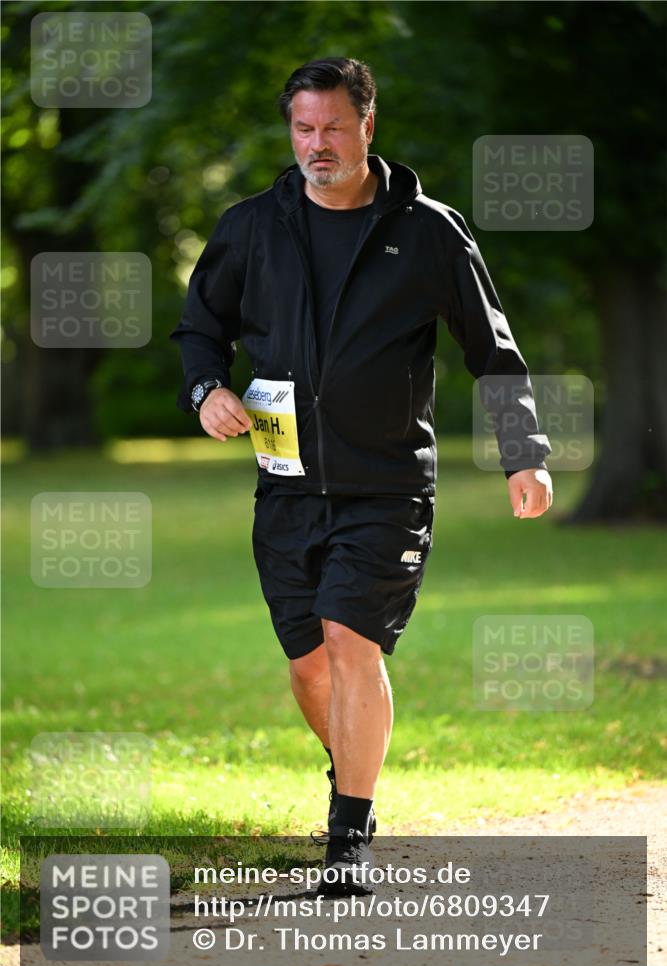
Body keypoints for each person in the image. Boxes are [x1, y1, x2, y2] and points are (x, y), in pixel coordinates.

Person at [170, 57, 553, 895]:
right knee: (308, 659)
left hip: (387, 483)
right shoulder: (252, 227)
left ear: (367, 126)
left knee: (351, 639)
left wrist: (522, 452)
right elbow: (199, 329)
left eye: (333, 128)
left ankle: (348, 835)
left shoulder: (428, 232)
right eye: (302, 129)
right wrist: (207, 392)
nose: (317, 145)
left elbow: (492, 350)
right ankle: (352, 766)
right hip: (285, 480)